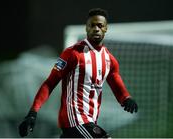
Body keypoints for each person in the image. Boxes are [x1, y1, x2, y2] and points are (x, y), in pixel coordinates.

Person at [18, 8, 138, 138]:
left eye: (100, 25)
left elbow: (115, 80)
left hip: (90, 120)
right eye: (92, 25)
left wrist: (126, 98)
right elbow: (50, 83)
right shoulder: (72, 53)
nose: (96, 29)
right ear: (86, 28)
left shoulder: (109, 59)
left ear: (105, 28)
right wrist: (33, 112)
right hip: (74, 120)